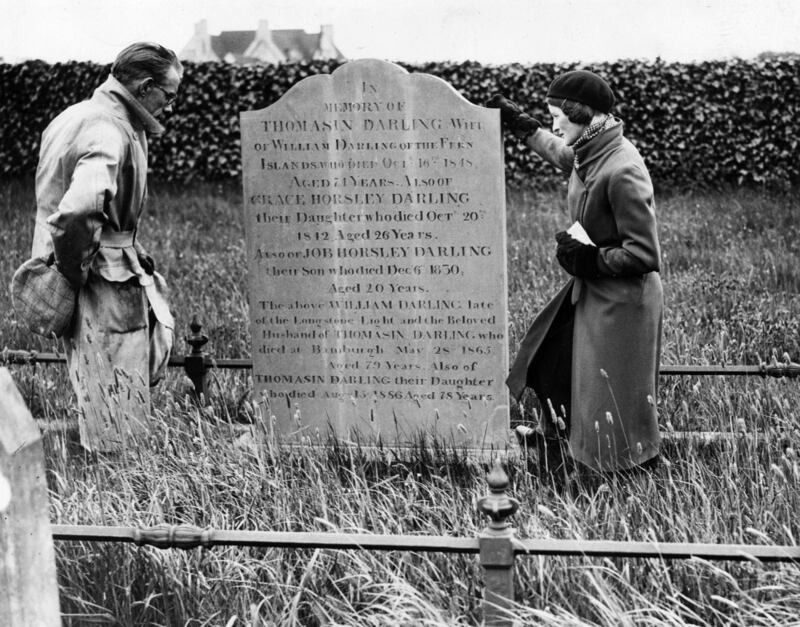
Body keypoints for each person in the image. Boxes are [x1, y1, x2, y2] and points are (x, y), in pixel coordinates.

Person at [487, 70, 663, 480]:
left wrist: (592, 260)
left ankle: (610, 474)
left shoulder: (622, 170)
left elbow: (645, 252)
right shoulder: (591, 148)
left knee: (609, 397)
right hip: (595, 291)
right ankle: (565, 450)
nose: (554, 124)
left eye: (557, 116)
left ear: (580, 114)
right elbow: (564, 156)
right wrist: (523, 127)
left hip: (622, 303)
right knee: (548, 363)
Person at [31, 42, 182, 452]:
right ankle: (120, 493)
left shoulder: (73, 116)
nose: (170, 105)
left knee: (95, 387)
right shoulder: (108, 129)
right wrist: (77, 269)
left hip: (79, 268)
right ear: (147, 86)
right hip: (103, 277)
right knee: (117, 411)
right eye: (169, 95)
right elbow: (78, 211)